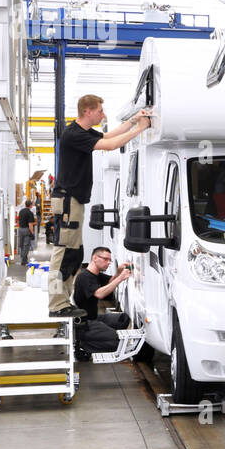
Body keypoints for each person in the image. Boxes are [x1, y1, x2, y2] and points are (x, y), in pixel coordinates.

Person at [48, 95, 151, 317]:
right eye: (100, 111)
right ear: (87, 111)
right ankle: (57, 305)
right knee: (64, 253)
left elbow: (107, 135)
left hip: (73, 200)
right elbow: (111, 145)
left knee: (74, 254)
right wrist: (140, 129)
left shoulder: (82, 132)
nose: (102, 115)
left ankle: (63, 303)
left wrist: (134, 120)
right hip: (68, 200)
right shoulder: (74, 135)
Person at [72, 247, 132, 358]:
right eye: (105, 259)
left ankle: (103, 334)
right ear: (95, 258)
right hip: (85, 324)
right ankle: (82, 345)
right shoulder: (84, 277)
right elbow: (100, 294)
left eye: (110, 260)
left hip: (94, 317)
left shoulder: (96, 274)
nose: (108, 263)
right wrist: (121, 278)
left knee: (123, 319)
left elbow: (110, 282)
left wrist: (119, 272)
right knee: (117, 343)